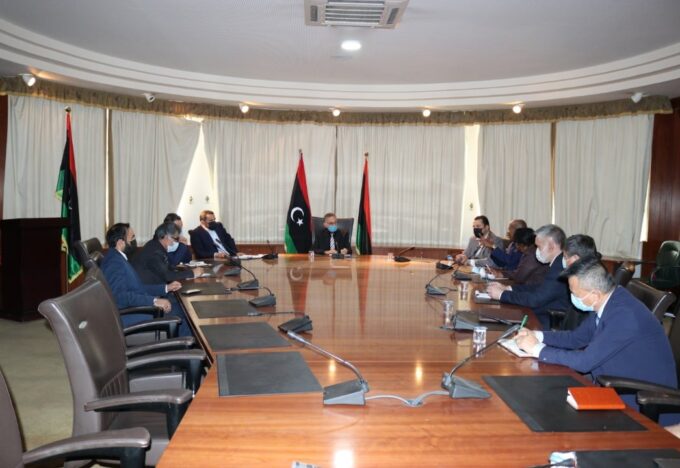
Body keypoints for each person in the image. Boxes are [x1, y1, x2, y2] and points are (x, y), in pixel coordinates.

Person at [515, 257, 676, 403]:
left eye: (573, 293)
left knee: (540, 399)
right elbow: (576, 338)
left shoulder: (625, 315)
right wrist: (538, 335)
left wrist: (537, 349)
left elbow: (585, 362)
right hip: (608, 381)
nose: (571, 297)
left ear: (595, 294)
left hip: (636, 398)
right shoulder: (608, 300)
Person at [100, 223, 191, 336]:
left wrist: (166, 288)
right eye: (132, 237)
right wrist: (154, 301)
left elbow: (138, 288)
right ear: (120, 242)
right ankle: (185, 345)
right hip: (129, 315)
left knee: (180, 305)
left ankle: (189, 343)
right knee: (181, 312)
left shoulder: (118, 258)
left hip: (136, 307)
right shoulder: (114, 262)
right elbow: (120, 296)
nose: (134, 241)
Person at [487, 224, 570, 330]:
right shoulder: (557, 263)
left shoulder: (559, 268)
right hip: (540, 312)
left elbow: (535, 299)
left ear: (551, 246)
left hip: (546, 320)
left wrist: (502, 295)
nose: (536, 251)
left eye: (539, 247)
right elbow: (538, 287)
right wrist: (508, 288)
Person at [132, 222, 196, 284]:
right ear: (166, 237)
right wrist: (192, 273)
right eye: (176, 239)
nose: (177, 242)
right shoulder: (155, 252)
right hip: (148, 288)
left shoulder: (155, 245)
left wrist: (186, 270)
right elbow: (167, 276)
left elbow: (168, 268)